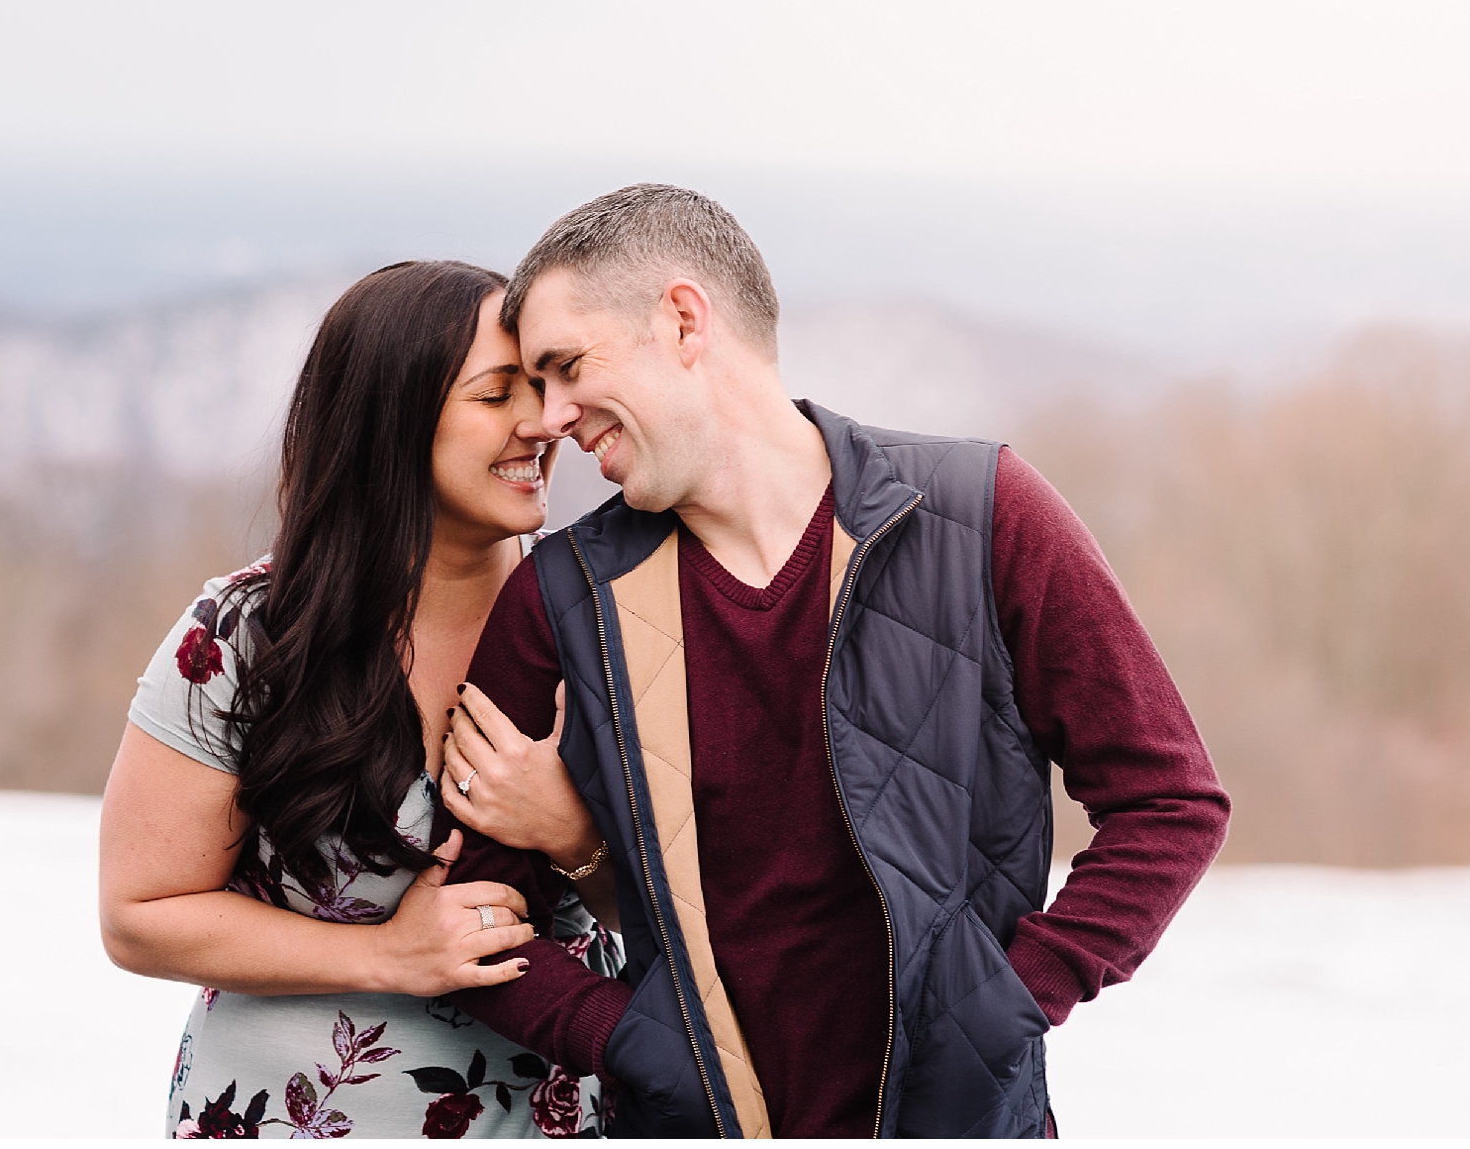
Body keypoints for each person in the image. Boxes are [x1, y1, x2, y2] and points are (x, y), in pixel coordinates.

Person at [439, 185, 1233, 1138]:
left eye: (567, 367)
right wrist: (631, 1042)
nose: (552, 416)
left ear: (684, 320)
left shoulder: (983, 515)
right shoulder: (560, 597)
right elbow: (476, 913)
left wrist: (1005, 1008)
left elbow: (1170, 801)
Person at [99, 260, 622, 1139]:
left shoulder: (608, 628)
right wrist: (388, 954)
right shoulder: (243, 634)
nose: (543, 422)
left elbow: (713, 914)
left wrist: (572, 836)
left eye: (541, 386)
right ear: (394, 420)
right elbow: (140, 915)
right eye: (496, 395)